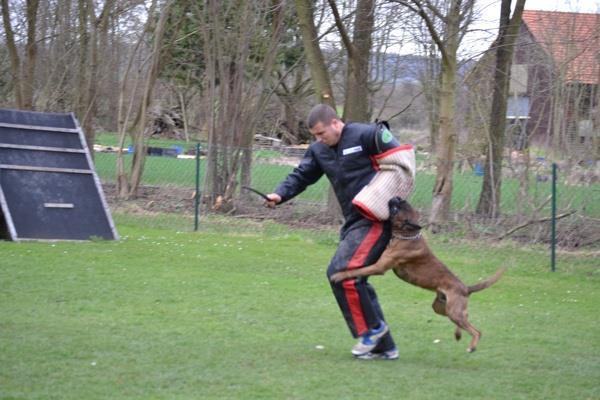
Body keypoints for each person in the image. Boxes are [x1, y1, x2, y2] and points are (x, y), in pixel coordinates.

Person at [266, 104, 414, 360]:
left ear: (336, 123)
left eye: (322, 133)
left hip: (376, 219)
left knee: (342, 272)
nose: (319, 139)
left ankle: (373, 330)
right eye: (315, 136)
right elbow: (301, 176)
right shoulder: (319, 150)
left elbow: (402, 161)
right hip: (353, 221)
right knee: (353, 278)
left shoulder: (366, 135)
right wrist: (280, 193)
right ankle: (385, 347)